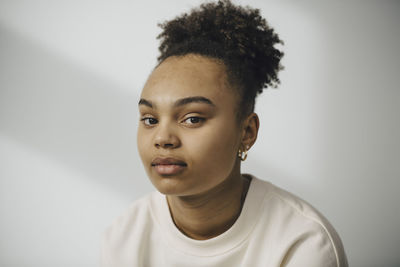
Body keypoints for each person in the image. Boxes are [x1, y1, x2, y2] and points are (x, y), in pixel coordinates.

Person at [101, 1, 348, 266]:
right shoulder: (125, 235)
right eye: (150, 119)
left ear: (247, 132)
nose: (162, 138)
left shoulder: (303, 242)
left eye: (192, 118)